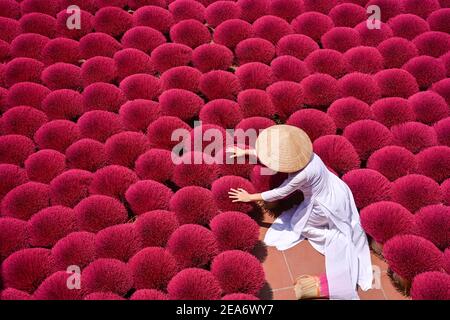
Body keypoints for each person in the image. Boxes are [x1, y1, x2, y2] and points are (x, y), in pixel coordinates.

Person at [227, 125, 373, 300]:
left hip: (324, 203)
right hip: (336, 189)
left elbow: (280, 192)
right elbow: (276, 156)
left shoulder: (302, 174)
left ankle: (335, 238)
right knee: (301, 219)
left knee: (300, 226)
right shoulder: (309, 156)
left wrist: (249, 196)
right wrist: (246, 152)